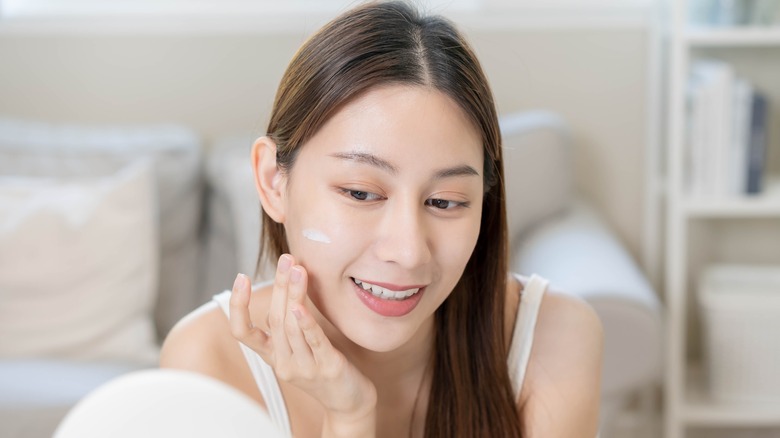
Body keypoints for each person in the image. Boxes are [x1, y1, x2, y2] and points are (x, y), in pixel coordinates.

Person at [160, 1, 603, 437]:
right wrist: (349, 416)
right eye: (361, 193)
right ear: (274, 181)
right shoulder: (208, 360)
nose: (408, 251)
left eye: (445, 201)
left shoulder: (554, 339)